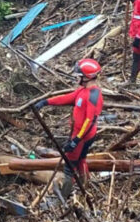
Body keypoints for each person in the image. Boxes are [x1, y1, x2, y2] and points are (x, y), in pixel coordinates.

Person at [33, 58, 104, 197]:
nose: (76, 77)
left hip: (82, 136)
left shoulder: (93, 96)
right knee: (81, 159)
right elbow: (67, 98)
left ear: (87, 77)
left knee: (69, 167)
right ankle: (85, 186)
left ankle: (64, 197)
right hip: (82, 135)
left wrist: (76, 140)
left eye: (79, 75)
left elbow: (89, 121)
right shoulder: (83, 91)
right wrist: (46, 102)